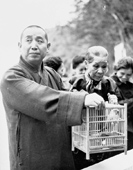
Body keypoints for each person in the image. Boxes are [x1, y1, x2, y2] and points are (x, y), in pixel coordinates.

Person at [0, 25, 105, 170]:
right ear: (19, 46)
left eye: (39, 41)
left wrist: (92, 99)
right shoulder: (11, 77)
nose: (34, 46)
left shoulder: (51, 73)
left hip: (60, 151)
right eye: (28, 40)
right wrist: (82, 100)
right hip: (31, 155)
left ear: (47, 47)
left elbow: (67, 94)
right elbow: (41, 98)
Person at [69, 46, 123, 169]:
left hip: (104, 136)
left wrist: (114, 106)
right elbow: (69, 104)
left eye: (104, 67)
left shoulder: (109, 83)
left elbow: (119, 103)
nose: (100, 71)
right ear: (86, 64)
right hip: (80, 138)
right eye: (95, 66)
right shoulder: (76, 82)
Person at [111, 56, 133, 150]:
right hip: (117, 126)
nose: (124, 77)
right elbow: (115, 105)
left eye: (128, 75)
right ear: (116, 70)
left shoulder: (130, 85)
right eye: (122, 73)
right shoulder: (110, 83)